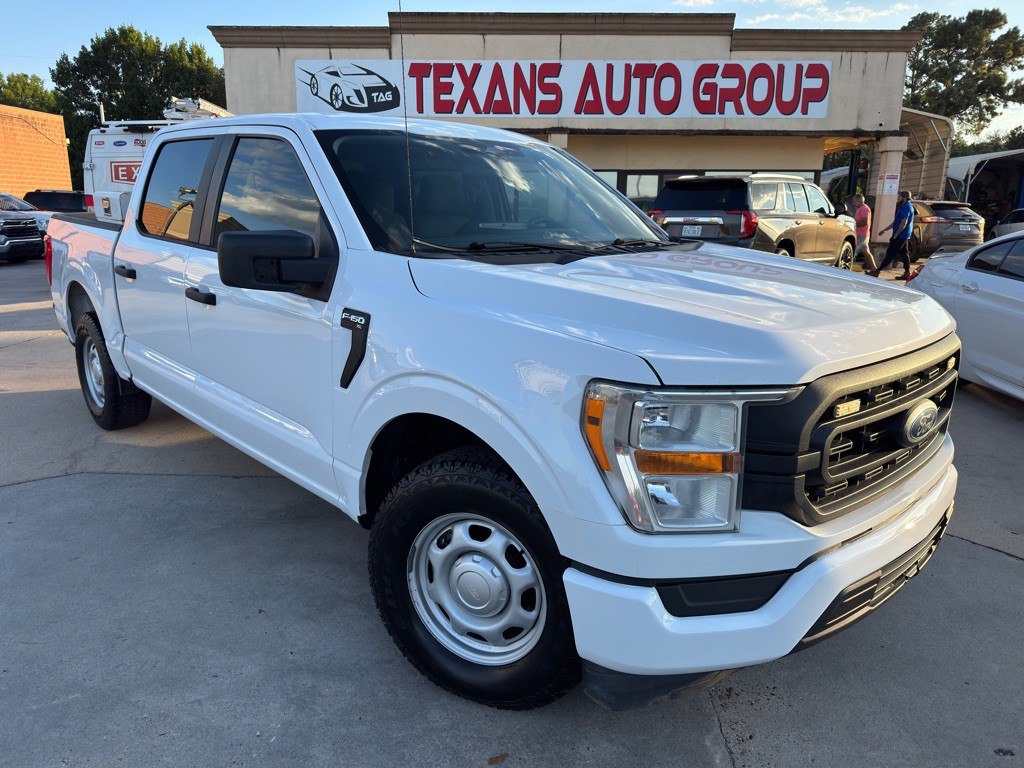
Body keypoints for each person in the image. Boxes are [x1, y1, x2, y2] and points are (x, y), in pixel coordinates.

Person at [870, 189, 914, 280]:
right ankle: (907, 272)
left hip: (901, 235)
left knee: (891, 253)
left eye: (899, 197)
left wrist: (896, 234)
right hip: (903, 235)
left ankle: (877, 271)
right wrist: (885, 230)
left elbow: (904, 222)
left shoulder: (906, 207)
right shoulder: (904, 206)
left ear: (904, 198)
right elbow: (896, 222)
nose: (898, 198)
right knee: (904, 254)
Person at [850, 194, 877, 273]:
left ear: (859, 201)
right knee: (866, 252)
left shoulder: (864, 209)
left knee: (852, 251)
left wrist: (854, 225)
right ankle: (874, 270)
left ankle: (847, 269)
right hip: (863, 234)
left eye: (855, 201)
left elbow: (865, 222)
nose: (853, 203)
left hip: (861, 235)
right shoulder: (861, 208)